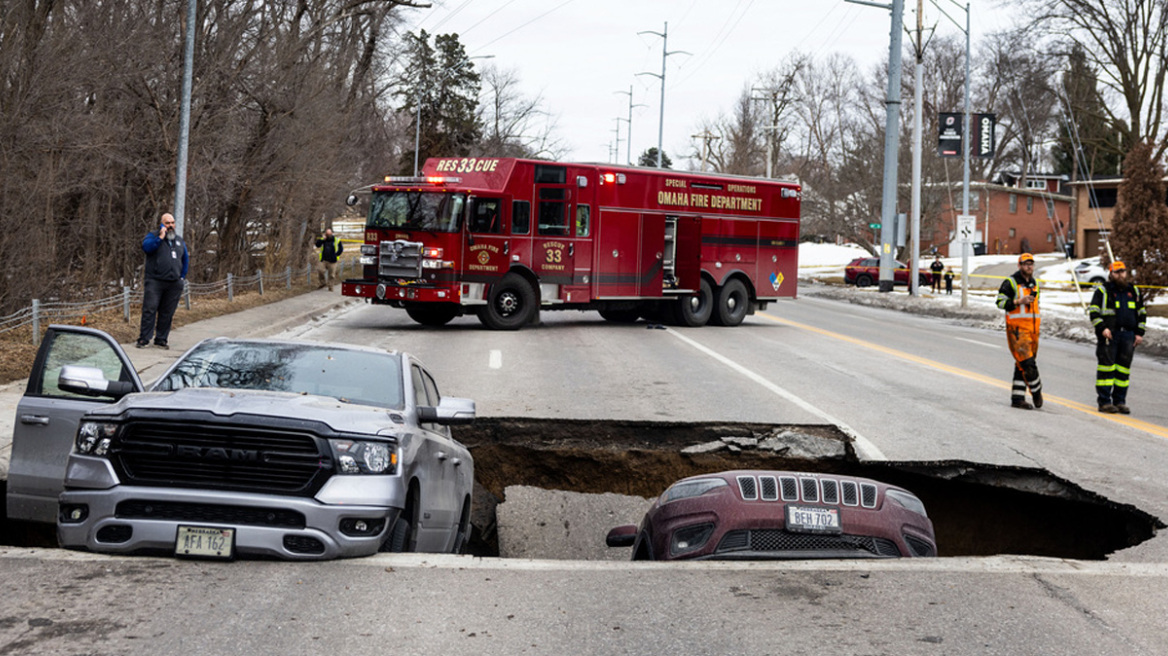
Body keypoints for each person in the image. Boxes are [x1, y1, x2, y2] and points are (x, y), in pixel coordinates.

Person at [1088, 261, 1146, 414]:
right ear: (1111, 274)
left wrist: (1139, 333)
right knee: (1106, 369)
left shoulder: (1133, 291)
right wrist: (1102, 328)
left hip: (1128, 335)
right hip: (1110, 335)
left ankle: (1120, 401)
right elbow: (1094, 312)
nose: (1120, 275)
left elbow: (1142, 313)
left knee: (1123, 371)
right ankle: (1105, 402)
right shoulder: (1103, 291)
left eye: (1123, 272)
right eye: (1117, 272)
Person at [996, 253, 1043, 409]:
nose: (1029, 266)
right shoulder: (1011, 282)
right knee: (1027, 363)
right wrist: (1018, 301)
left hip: (1033, 330)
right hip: (1017, 330)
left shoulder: (1034, 284)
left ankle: (1017, 398)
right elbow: (1000, 302)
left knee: (1021, 364)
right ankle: (1037, 391)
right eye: (1025, 264)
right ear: (1019, 265)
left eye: (1031, 264)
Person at [137, 213, 189, 349]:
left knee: (167, 312)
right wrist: (160, 237)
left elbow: (185, 260)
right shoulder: (153, 236)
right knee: (150, 309)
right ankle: (144, 338)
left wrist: (181, 277)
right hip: (155, 281)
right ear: (161, 224)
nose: (170, 226)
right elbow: (147, 248)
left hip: (174, 283)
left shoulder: (178, 240)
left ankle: (161, 339)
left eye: (172, 223)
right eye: (167, 223)